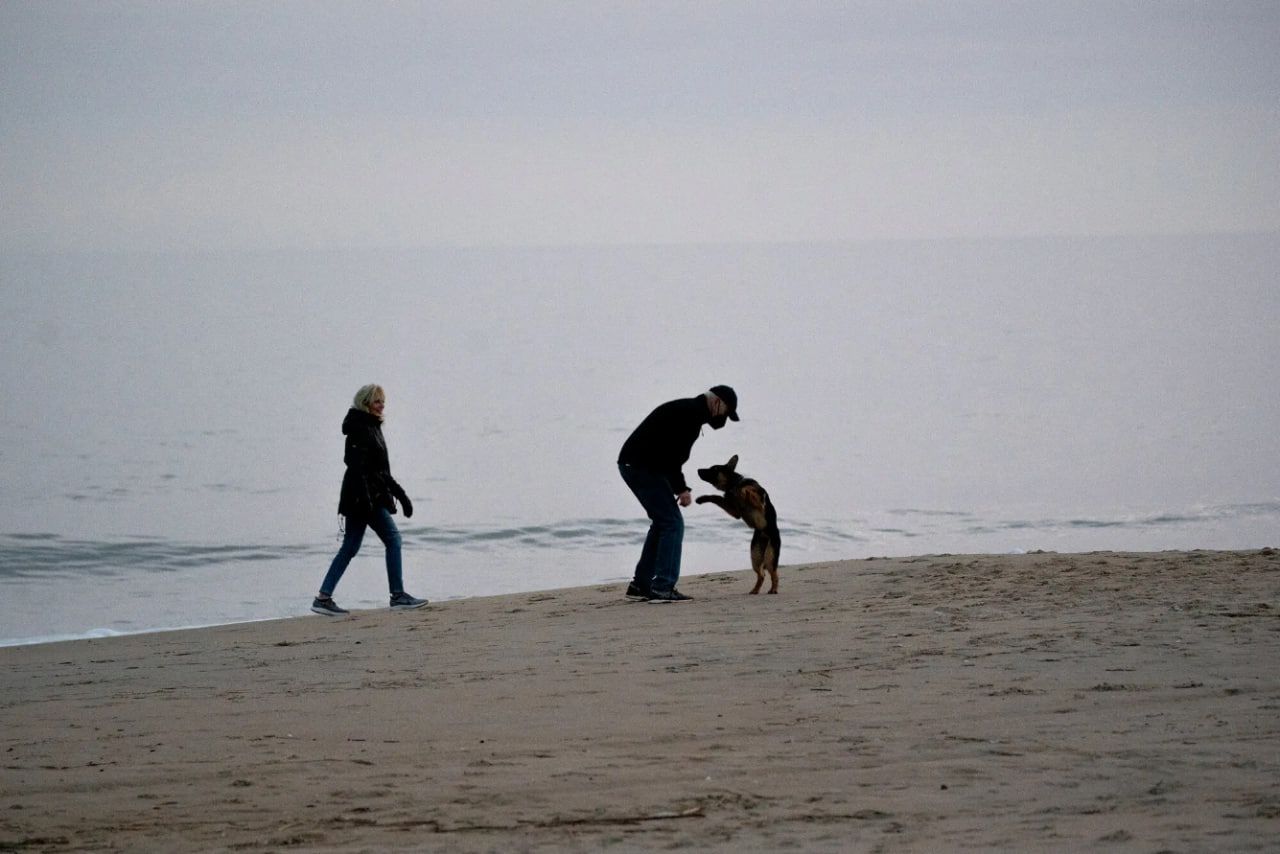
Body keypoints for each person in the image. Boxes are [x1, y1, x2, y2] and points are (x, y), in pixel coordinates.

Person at [311, 384, 429, 615]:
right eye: (377, 401)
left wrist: (401, 496)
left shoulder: (372, 426)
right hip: (363, 498)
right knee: (393, 539)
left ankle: (323, 599)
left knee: (350, 548)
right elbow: (356, 467)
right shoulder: (360, 427)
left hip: (368, 496)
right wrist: (366, 499)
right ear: (366, 403)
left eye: (383, 401)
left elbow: (381, 470)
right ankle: (397, 595)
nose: (381, 405)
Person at [617, 385, 739, 603]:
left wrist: (677, 485)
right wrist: (681, 489)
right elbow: (673, 456)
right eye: (726, 413)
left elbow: (668, 454)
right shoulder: (691, 415)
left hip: (635, 464)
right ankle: (662, 587)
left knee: (663, 522)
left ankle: (640, 586)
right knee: (673, 523)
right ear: (717, 403)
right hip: (641, 466)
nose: (724, 419)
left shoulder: (689, 410)